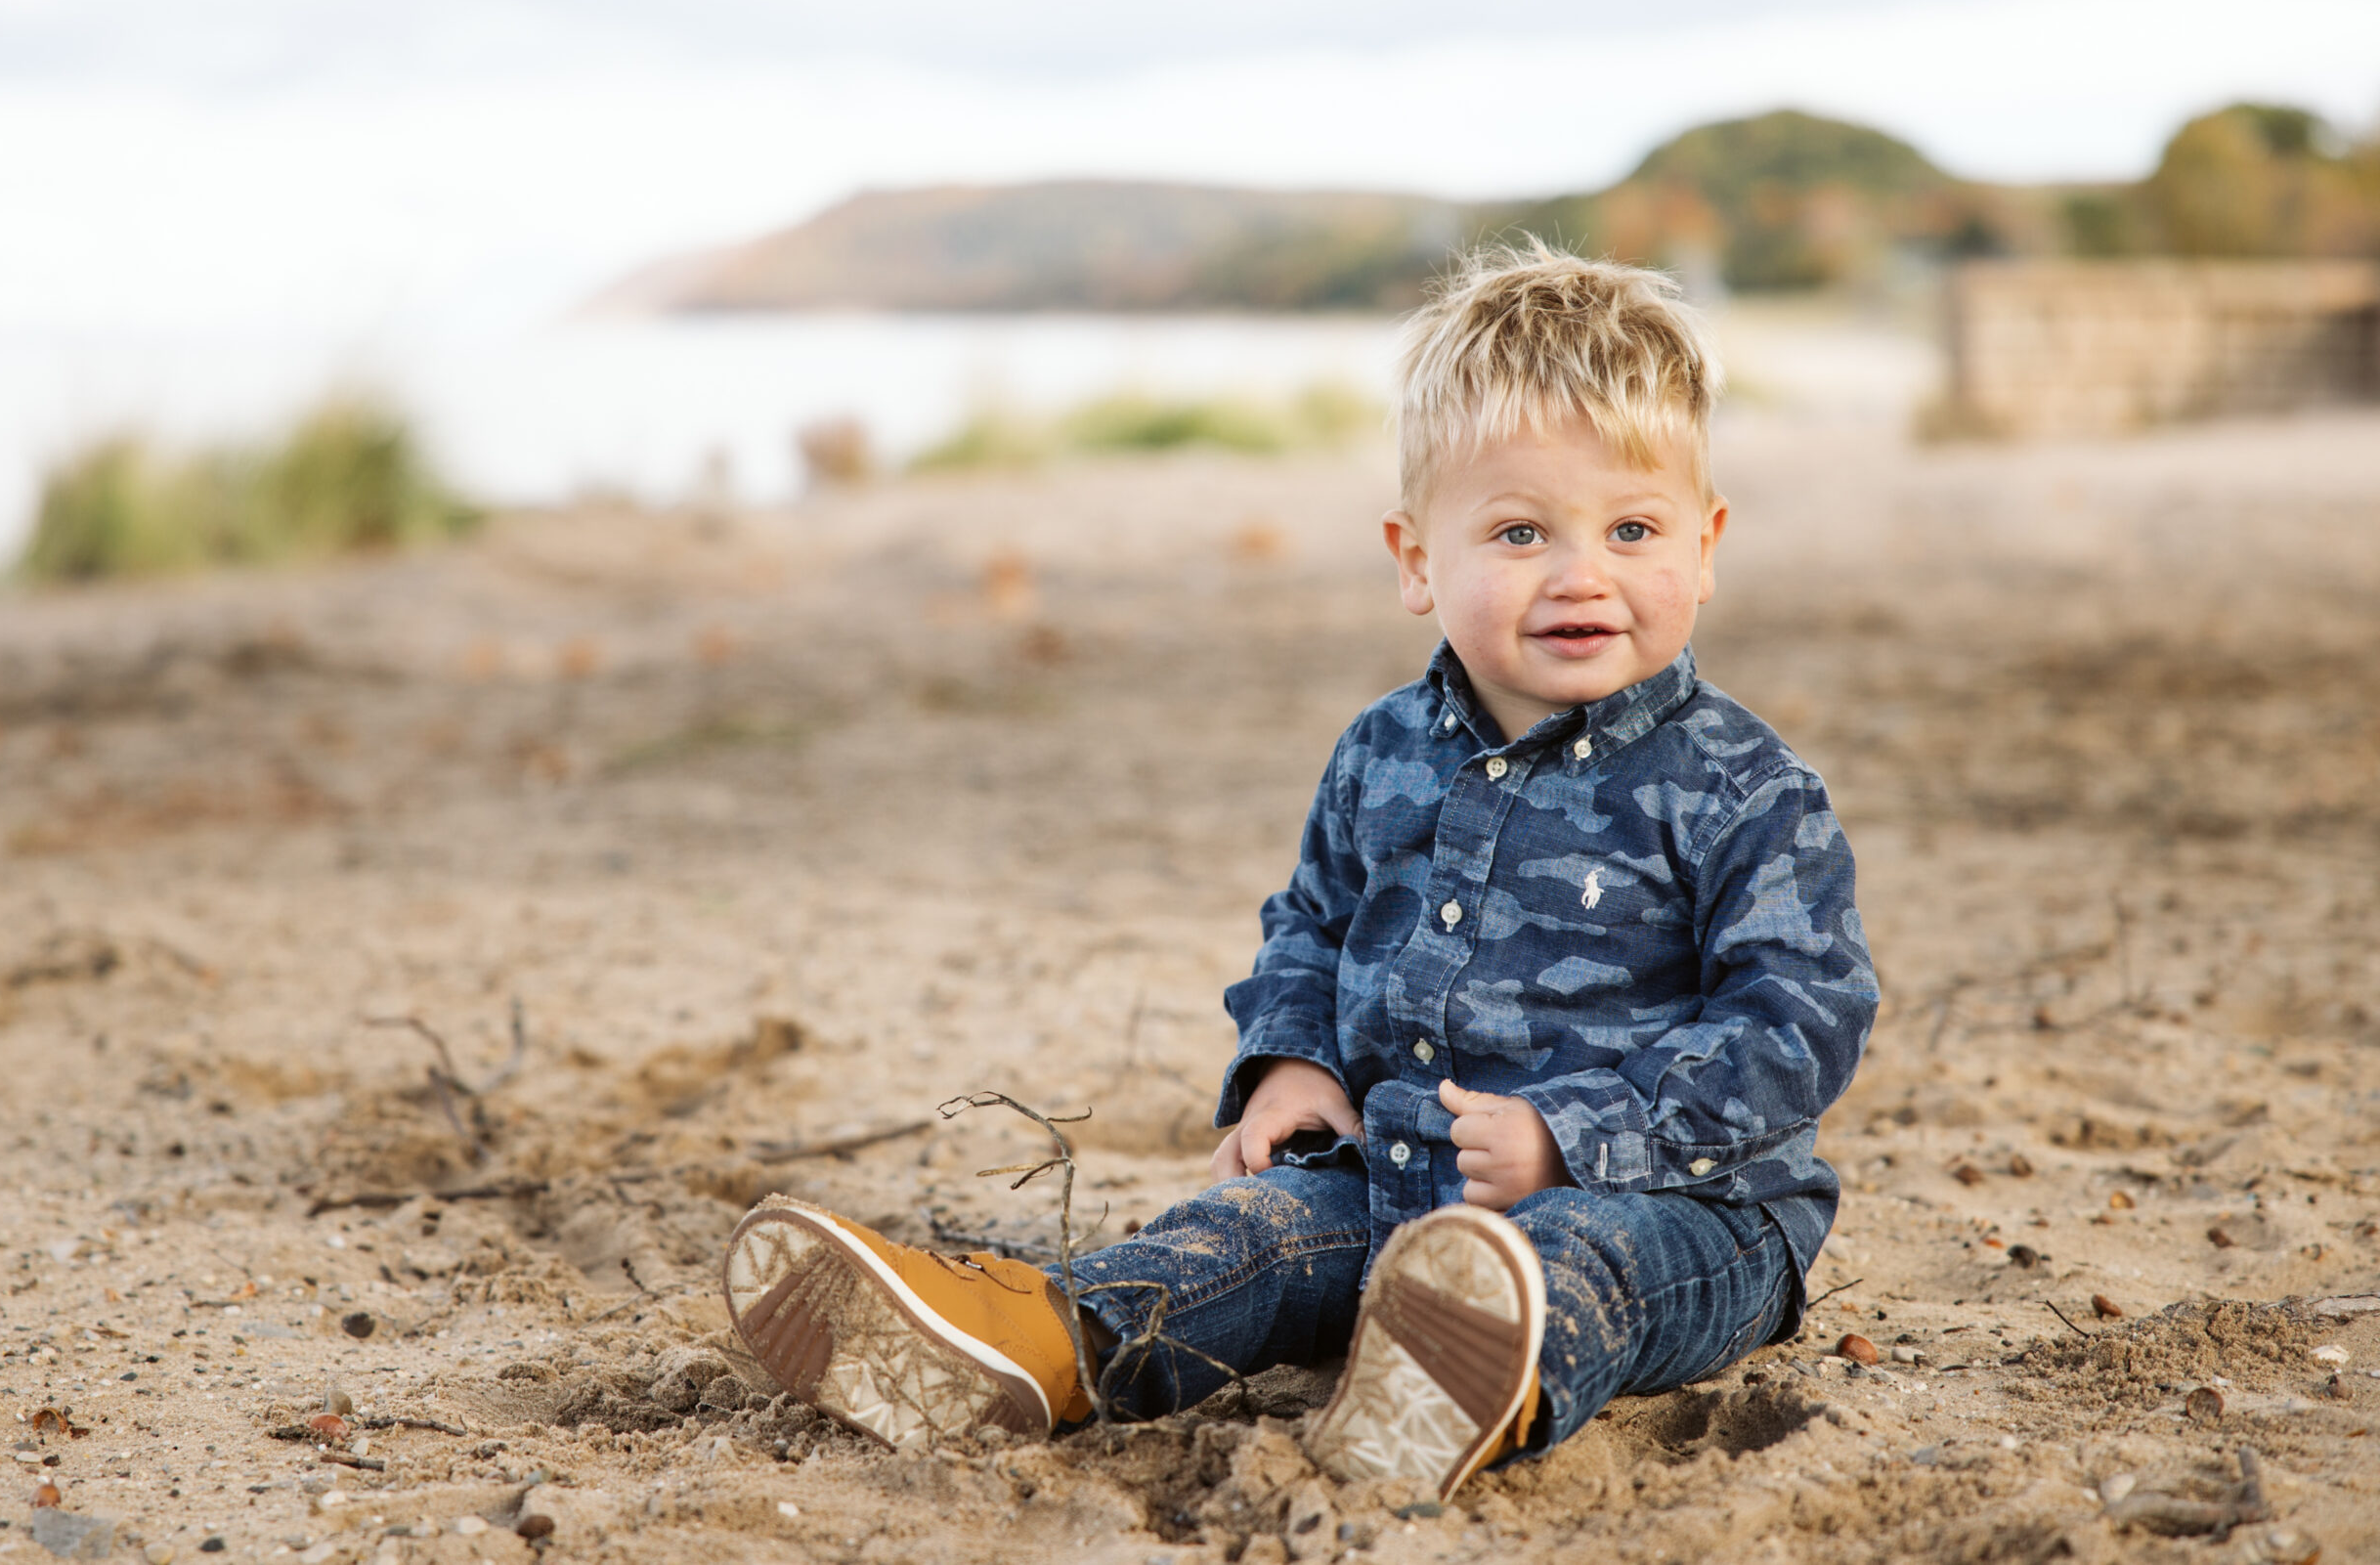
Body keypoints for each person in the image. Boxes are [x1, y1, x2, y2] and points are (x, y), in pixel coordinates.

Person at [720, 242, 1879, 1500]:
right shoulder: (1380, 754)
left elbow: (1799, 1019)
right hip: (1391, 1187)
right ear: (1414, 559)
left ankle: (1469, 1379)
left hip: (1694, 1215)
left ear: (1704, 548)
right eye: (1519, 530)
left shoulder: (1741, 788)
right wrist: (1291, 1061)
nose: (1579, 572)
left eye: (1632, 528)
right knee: (1239, 1244)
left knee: (1586, 1259)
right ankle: (1034, 1349)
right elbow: (1313, 924)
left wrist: (1573, 1138)